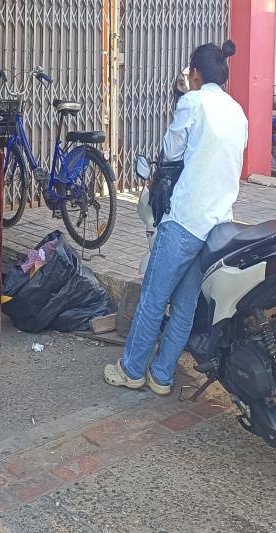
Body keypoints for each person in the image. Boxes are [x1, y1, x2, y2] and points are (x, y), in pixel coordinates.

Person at [105, 40, 247, 395]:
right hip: (218, 226)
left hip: (185, 220)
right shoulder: (238, 112)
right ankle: (162, 376)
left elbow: (171, 151)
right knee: (185, 305)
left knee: (154, 297)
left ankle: (132, 370)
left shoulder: (192, 102)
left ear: (195, 74)